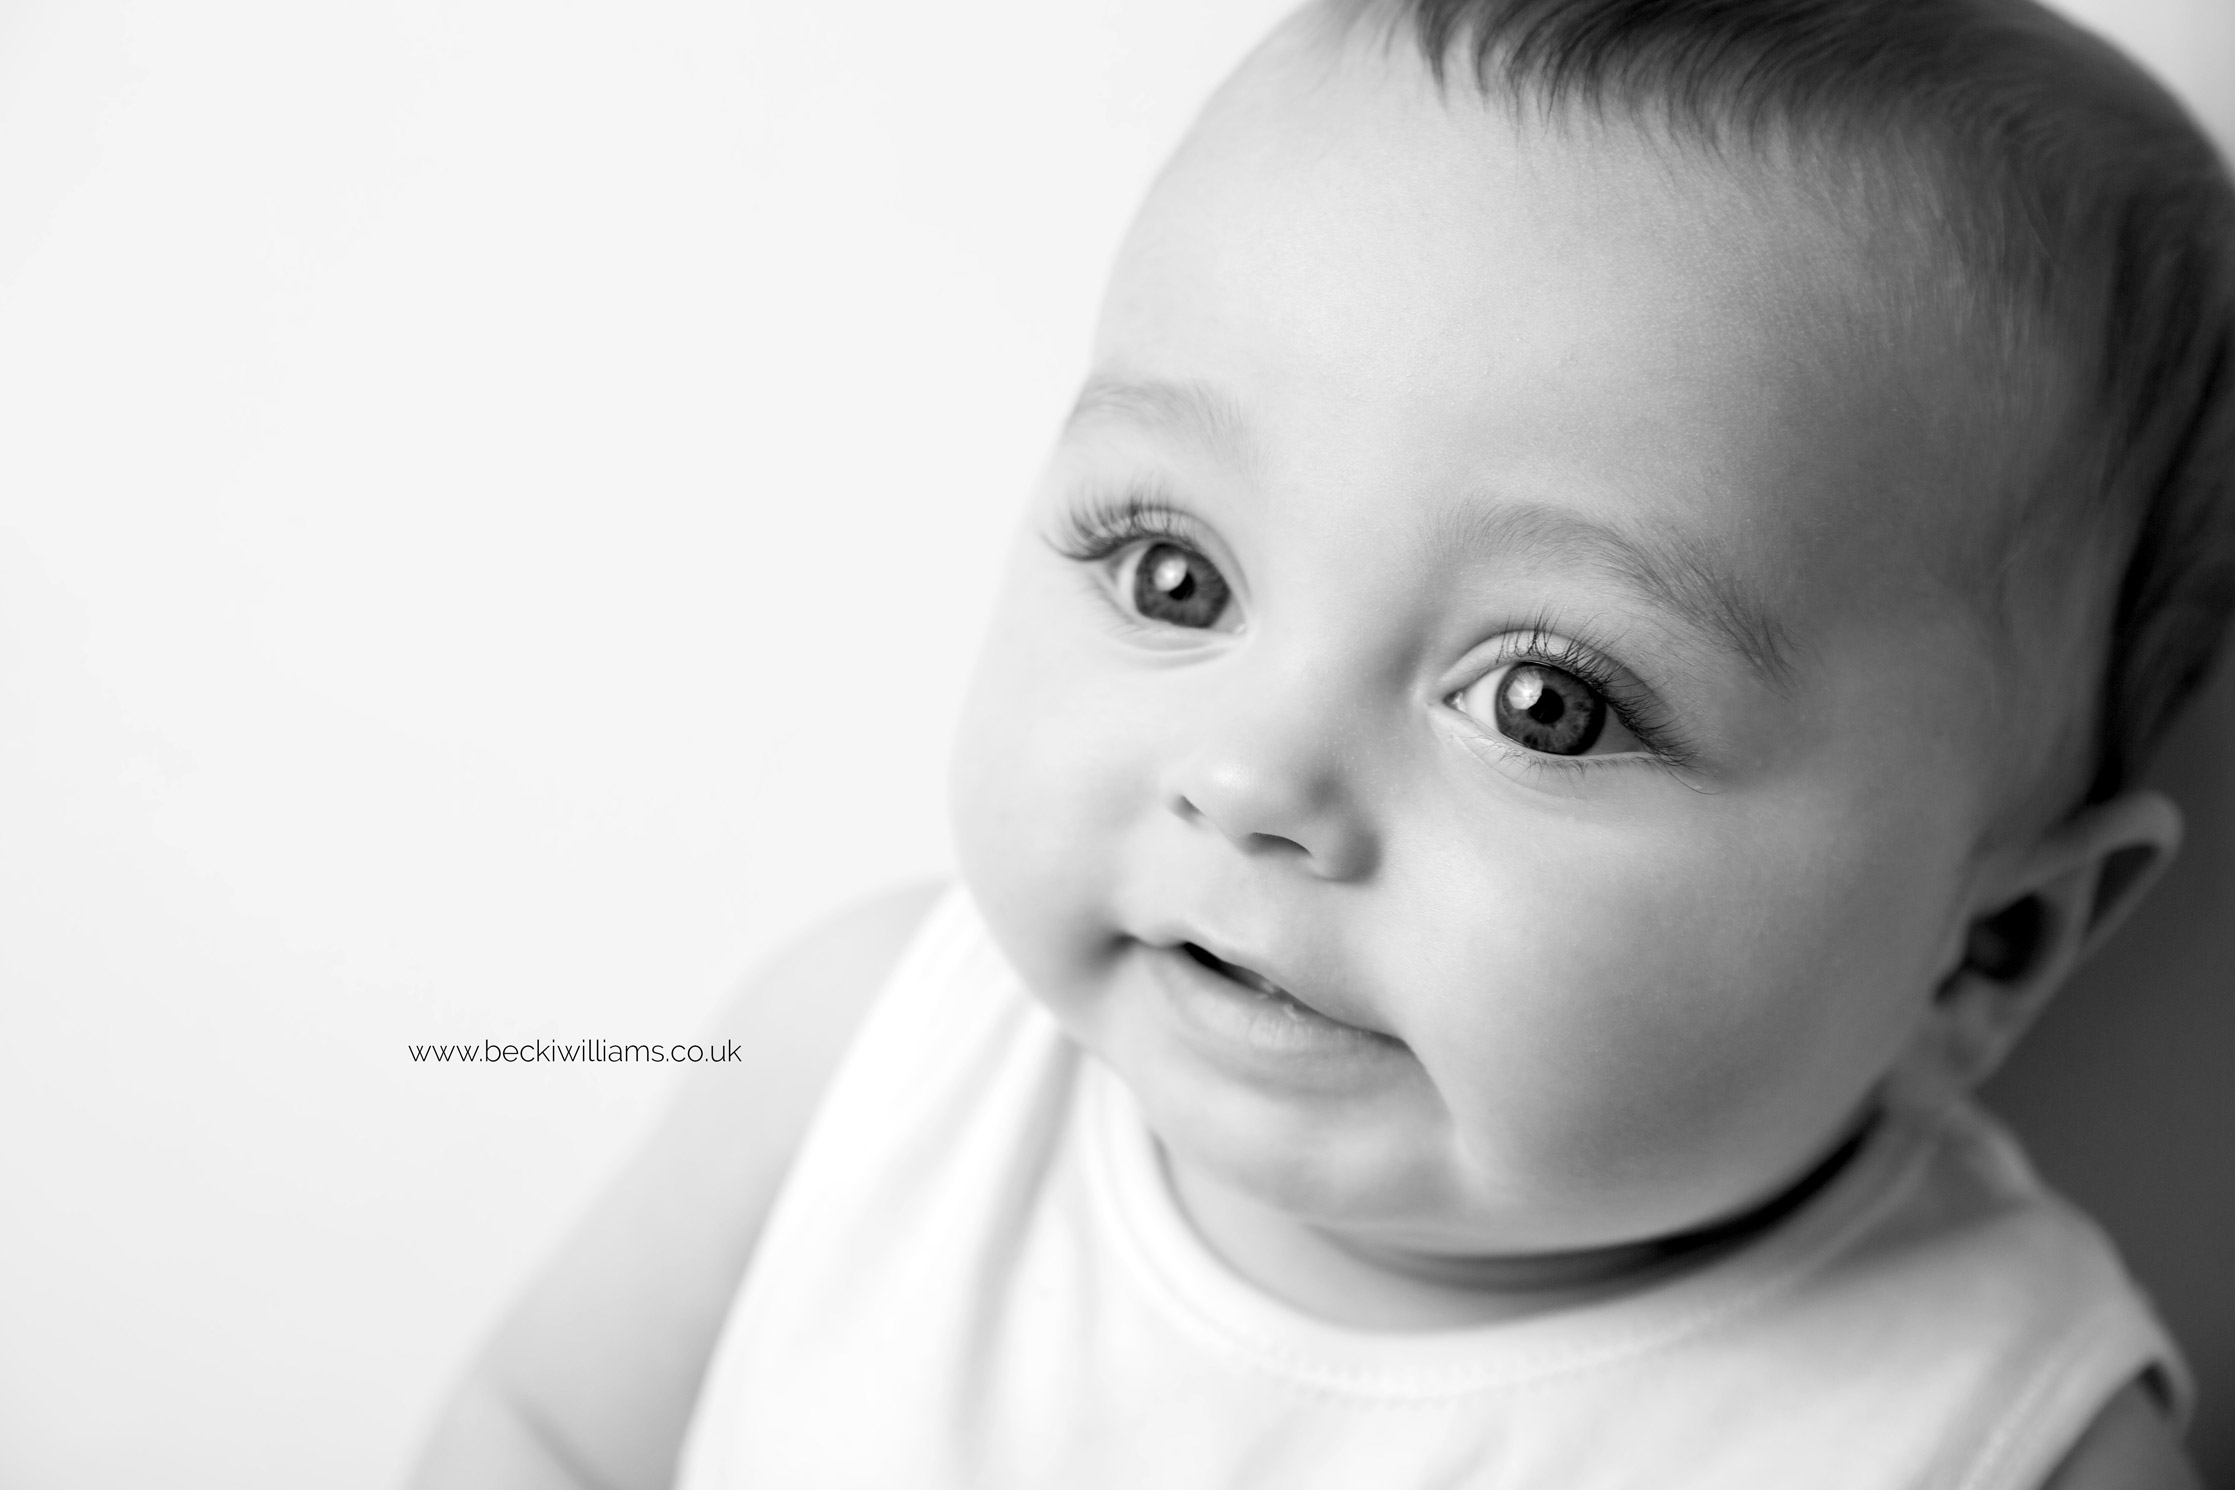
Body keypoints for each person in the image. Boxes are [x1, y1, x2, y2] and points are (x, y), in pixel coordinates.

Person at [410, 1, 2235, 1485]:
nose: (1252, 776)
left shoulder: (1996, 1434)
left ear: (1988, 942)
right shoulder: (869, 1066)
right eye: (1177, 573)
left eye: (1548, 702)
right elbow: (541, 1436)